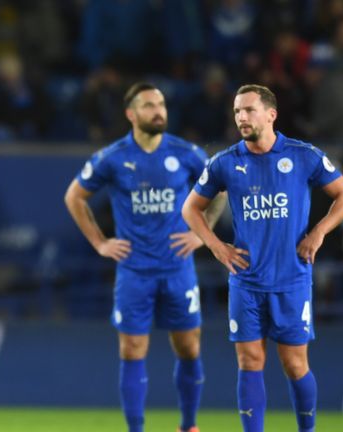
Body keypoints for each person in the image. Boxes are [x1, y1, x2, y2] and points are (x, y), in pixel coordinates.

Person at [182, 84, 343, 432]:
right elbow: (191, 209)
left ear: (271, 114)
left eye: (248, 110)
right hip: (246, 280)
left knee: (295, 364)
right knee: (250, 361)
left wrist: (319, 231)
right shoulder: (225, 162)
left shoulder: (303, 155)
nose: (241, 117)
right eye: (236, 111)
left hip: (291, 280)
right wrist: (216, 246)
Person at [64, 82, 227, 432]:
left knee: (187, 345)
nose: (159, 111)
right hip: (134, 271)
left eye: (162, 104)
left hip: (177, 267)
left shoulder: (185, 153)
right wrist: (100, 243)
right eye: (150, 105)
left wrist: (203, 233)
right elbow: (74, 197)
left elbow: (221, 189)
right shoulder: (112, 157)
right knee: (132, 348)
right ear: (131, 114)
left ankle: (188, 426)